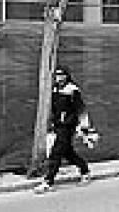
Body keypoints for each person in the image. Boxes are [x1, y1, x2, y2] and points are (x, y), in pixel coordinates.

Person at [34, 65, 90, 194]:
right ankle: (85, 170)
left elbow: (81, 109)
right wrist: (53, 123)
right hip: (58, 126)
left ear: (66, 76)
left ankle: (48, 181)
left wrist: (84, 127)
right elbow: (54, 109)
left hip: (68, 127)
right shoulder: (55, 89)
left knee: (56, 152)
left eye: (61, 75)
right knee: (67, 152)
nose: (59, 77)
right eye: (57, 75)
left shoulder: (72, 90)